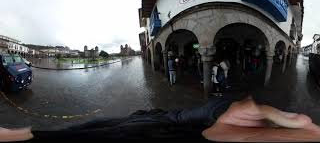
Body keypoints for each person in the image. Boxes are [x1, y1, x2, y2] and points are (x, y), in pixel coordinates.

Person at [2, 93, 320, 142]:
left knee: (99, 128)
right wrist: (233, 108)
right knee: (96, 126)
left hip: (159, 123)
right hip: (173, 119)